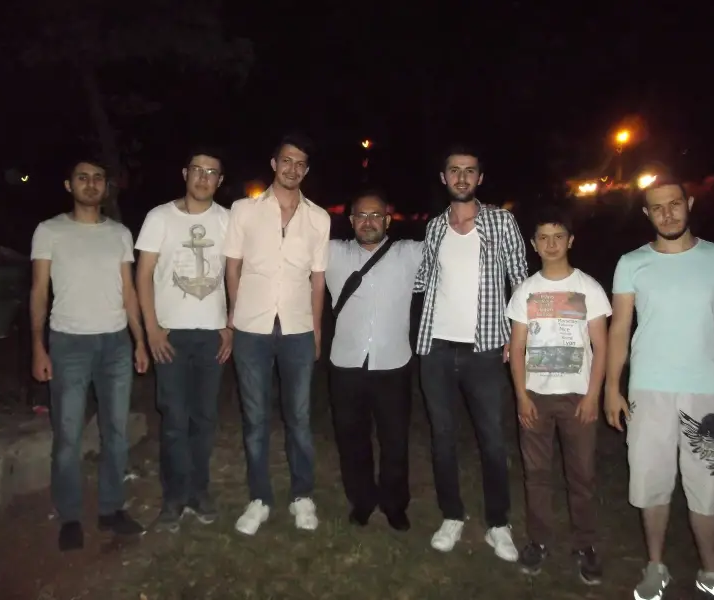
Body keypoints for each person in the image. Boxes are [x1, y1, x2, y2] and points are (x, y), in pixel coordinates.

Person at [605, 176, 714, 600]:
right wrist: (612, 387)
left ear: (689, 203)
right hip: (647, 391)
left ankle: (711, 572)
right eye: (657, 207)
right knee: (650, 481)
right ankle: (656, 567)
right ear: (646, 213)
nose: (667, 214)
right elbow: (620, 329)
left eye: (674, 204)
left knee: (706, 484)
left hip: (704, 392)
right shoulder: (631, 263)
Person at [415, 144, 528, 559]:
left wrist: (517, 337)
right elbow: (422, 279)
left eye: (469, 170)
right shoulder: (434, 228)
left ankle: (498, 523)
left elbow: (520, 279)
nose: (461, 177)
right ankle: (452, 515)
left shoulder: (501, 221)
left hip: (486, 350)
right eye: (454, 170)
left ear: (480, 178)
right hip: (436, 349)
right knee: (442, 437)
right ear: (443, 177)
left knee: (492, 439)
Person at [30, 158, 149, 551]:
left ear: (106, 186)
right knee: (68, 435)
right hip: (69, 344)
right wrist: (37, 345)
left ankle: (112, 509)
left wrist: (139, 340)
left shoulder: (119, 233)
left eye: (98, 178)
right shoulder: (49, 231)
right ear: (69, 185)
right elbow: (39, 291)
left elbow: (129, 291)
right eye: (82, 177)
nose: (91, 183)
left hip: (115, 343)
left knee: (116, 432)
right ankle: (70, 516)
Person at [225, 134, 331, 535]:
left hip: (297, 329)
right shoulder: (244, 211)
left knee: (299, 418)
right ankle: (260, 498)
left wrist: (317, 331)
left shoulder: (318, 218)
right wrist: (235, 315)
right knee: (255, 418)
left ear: (307, 170)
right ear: (274, 164)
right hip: (251, 328)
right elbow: (232, 267)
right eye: (287, 161)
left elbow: (317, 280)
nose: (293, 169)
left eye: (300, 163)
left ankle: (302, 495)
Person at [506, 207, 610, 584]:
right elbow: (518, 348)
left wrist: (593, 396)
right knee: (536, 473)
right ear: (534, 245)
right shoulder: (526, 291)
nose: (551, 244)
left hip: (577, 397)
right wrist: (522, 396)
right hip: (536, 395)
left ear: (570, 241)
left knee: (581, 474)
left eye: (558, 236)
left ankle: (585, 544)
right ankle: (539, 541)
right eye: (543, 238)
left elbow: (602, 346)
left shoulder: (589, 288)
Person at [135, 148, 232, 533]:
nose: (204, 178)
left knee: (204, 419)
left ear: (220, 181)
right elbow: (143, 275)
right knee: (174, 419)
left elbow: (236, 275)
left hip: (212, 335)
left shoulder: (228, 220)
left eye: (212, 172)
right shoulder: (159, 217)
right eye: (197, 170)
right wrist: (152, 329)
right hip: (170, 335)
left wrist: (231, 325)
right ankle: (174, 497)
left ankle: (199, 491)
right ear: (184, 173)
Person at [326, 190, 423, 531]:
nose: (368, 222)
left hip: (393, 364)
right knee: (351, 438)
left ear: (388, 220)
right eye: (361, 216)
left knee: (395, 440)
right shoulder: (332, 253)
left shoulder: (408, 253)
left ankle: (395, 503)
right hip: (345, 363)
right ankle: (362, 499)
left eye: (376, 215)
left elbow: (452, 246)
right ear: (351, 220)